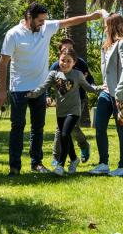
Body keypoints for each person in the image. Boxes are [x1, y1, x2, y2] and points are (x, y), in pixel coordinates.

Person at [0, 2, 107, 176]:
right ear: (29, 17)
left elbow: (69, 21)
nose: (43, 23)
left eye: (45, 20)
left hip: (40, 88)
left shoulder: (46, 28)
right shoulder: (13, 34)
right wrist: (2, 91)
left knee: (38, 128)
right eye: (40, 20)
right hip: (19, 88)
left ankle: (36, 163)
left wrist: (91, 17)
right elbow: (3, 63)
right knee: (17, 126)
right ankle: (15, 166)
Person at [28, 48, 102, 176]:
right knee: (65, 136)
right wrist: (33, 94)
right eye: (63, 60)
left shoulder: (78, 75)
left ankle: (60, 166)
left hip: (74, 110)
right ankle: (74, 159)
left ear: (74, 62)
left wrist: (101, 88)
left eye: (69, 61)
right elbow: (43, 87)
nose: (65, 63)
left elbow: (89, 88)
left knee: (64, 134)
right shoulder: (53, 75)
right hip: (60, 112)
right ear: (58, 60)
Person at [89, 13, 123, 177]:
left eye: (107, 25)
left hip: (120, 94)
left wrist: (120, 92)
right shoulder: (106, 46)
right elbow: (106, 70)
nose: (104, 28)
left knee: (121, 130)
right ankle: (103, 164)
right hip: (106, 93)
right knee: (100, 127)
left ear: (114, 26)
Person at [49, 38, 93, 165]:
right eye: (64, 49)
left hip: (79, 99)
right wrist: (47, 95)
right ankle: (57, 158)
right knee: (62, 129)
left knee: (69, 128)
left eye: (71, 49)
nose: (67, 51)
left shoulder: (81, 63)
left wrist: (93, 86)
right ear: (60, 52)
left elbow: (90, 80)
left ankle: (81, 147)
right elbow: (48, 82)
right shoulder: (56, 66)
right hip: (63, 102)